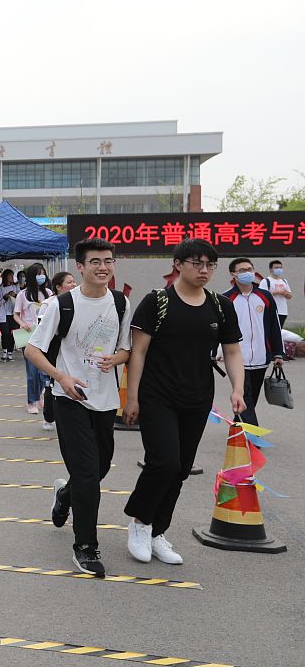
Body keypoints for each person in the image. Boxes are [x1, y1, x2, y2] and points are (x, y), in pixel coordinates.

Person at [123, 238, 245, 566]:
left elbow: (232, 351)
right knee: (164, 462)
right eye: (196, 263)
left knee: (181, 470)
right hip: (157, 395)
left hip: (197, 397)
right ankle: (139, 522)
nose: (204, 270)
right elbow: (139, 352)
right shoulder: (157, 302)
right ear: (178, 264)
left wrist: (238, 389)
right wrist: (132, 398)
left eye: (210, 265)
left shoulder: (221, 306)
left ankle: (157, 531)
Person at [25, 239, 132, 577]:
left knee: (99, 469)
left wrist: (118, 357)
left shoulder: (120, 302)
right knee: (88, 473)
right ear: (81, 267)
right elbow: (33, 350)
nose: (103, 267)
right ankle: (85, 547)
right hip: (69, 399)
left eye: (109, 261)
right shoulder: (62, 304)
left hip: (106, 399)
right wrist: (61, 376)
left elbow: (126, 348)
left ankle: (65, 494)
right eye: (96, 261)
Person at [222, 257, 284, 426]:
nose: (247, 273)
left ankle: (239, 424)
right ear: (233, 274)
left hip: (260, 357)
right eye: (242, 270)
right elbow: (218, 329)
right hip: (237, 359)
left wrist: (278, 353)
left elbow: (274, 326)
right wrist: (213, 353)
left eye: (250, 269)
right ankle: (251, 436)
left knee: (251, 397)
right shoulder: (226, 299)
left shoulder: (265, 296)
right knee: (245, 394)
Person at [15, 263, 54, 414]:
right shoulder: (22, 295)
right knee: (32, 373)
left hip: (45, 335)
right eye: (38, 274)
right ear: (32, 276)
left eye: (43, 273)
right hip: (28, 336)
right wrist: (22, 323)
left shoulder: (48, 293)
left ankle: (40, 396)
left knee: (43, 372)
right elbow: (16, 314)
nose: (41, 276)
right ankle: (32, 401)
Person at [39, 271, 76, 430]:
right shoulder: (49, 303)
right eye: (69, 282)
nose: (74, 285)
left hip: (72, 348)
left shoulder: (78, 301)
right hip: (54, 349)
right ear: (58, 287)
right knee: (53, 383)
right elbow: (42, 330)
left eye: (74, 281)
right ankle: (49, 416)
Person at [0, 269, 19, 361]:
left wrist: (15, 295)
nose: (12, 278)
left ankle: (10, 352)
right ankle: (4, 351)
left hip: (13, 314)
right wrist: (6, 296)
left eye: (13, 276)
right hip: (4, 314)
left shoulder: (16, 287)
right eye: (10, 276)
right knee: (5, 333)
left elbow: (20, 298)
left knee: (13, 333)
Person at [259, 260, 291, 329]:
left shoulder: (284, 281)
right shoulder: (266, 281)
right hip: (270, 311)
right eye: (276, 268)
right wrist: (276, 292)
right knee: (270, 330)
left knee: (279, 330)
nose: (279, 269)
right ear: (271, 269)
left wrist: (286, 294)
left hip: (283, 311)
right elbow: (261, 295)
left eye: (280, 267)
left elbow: (289, 296)